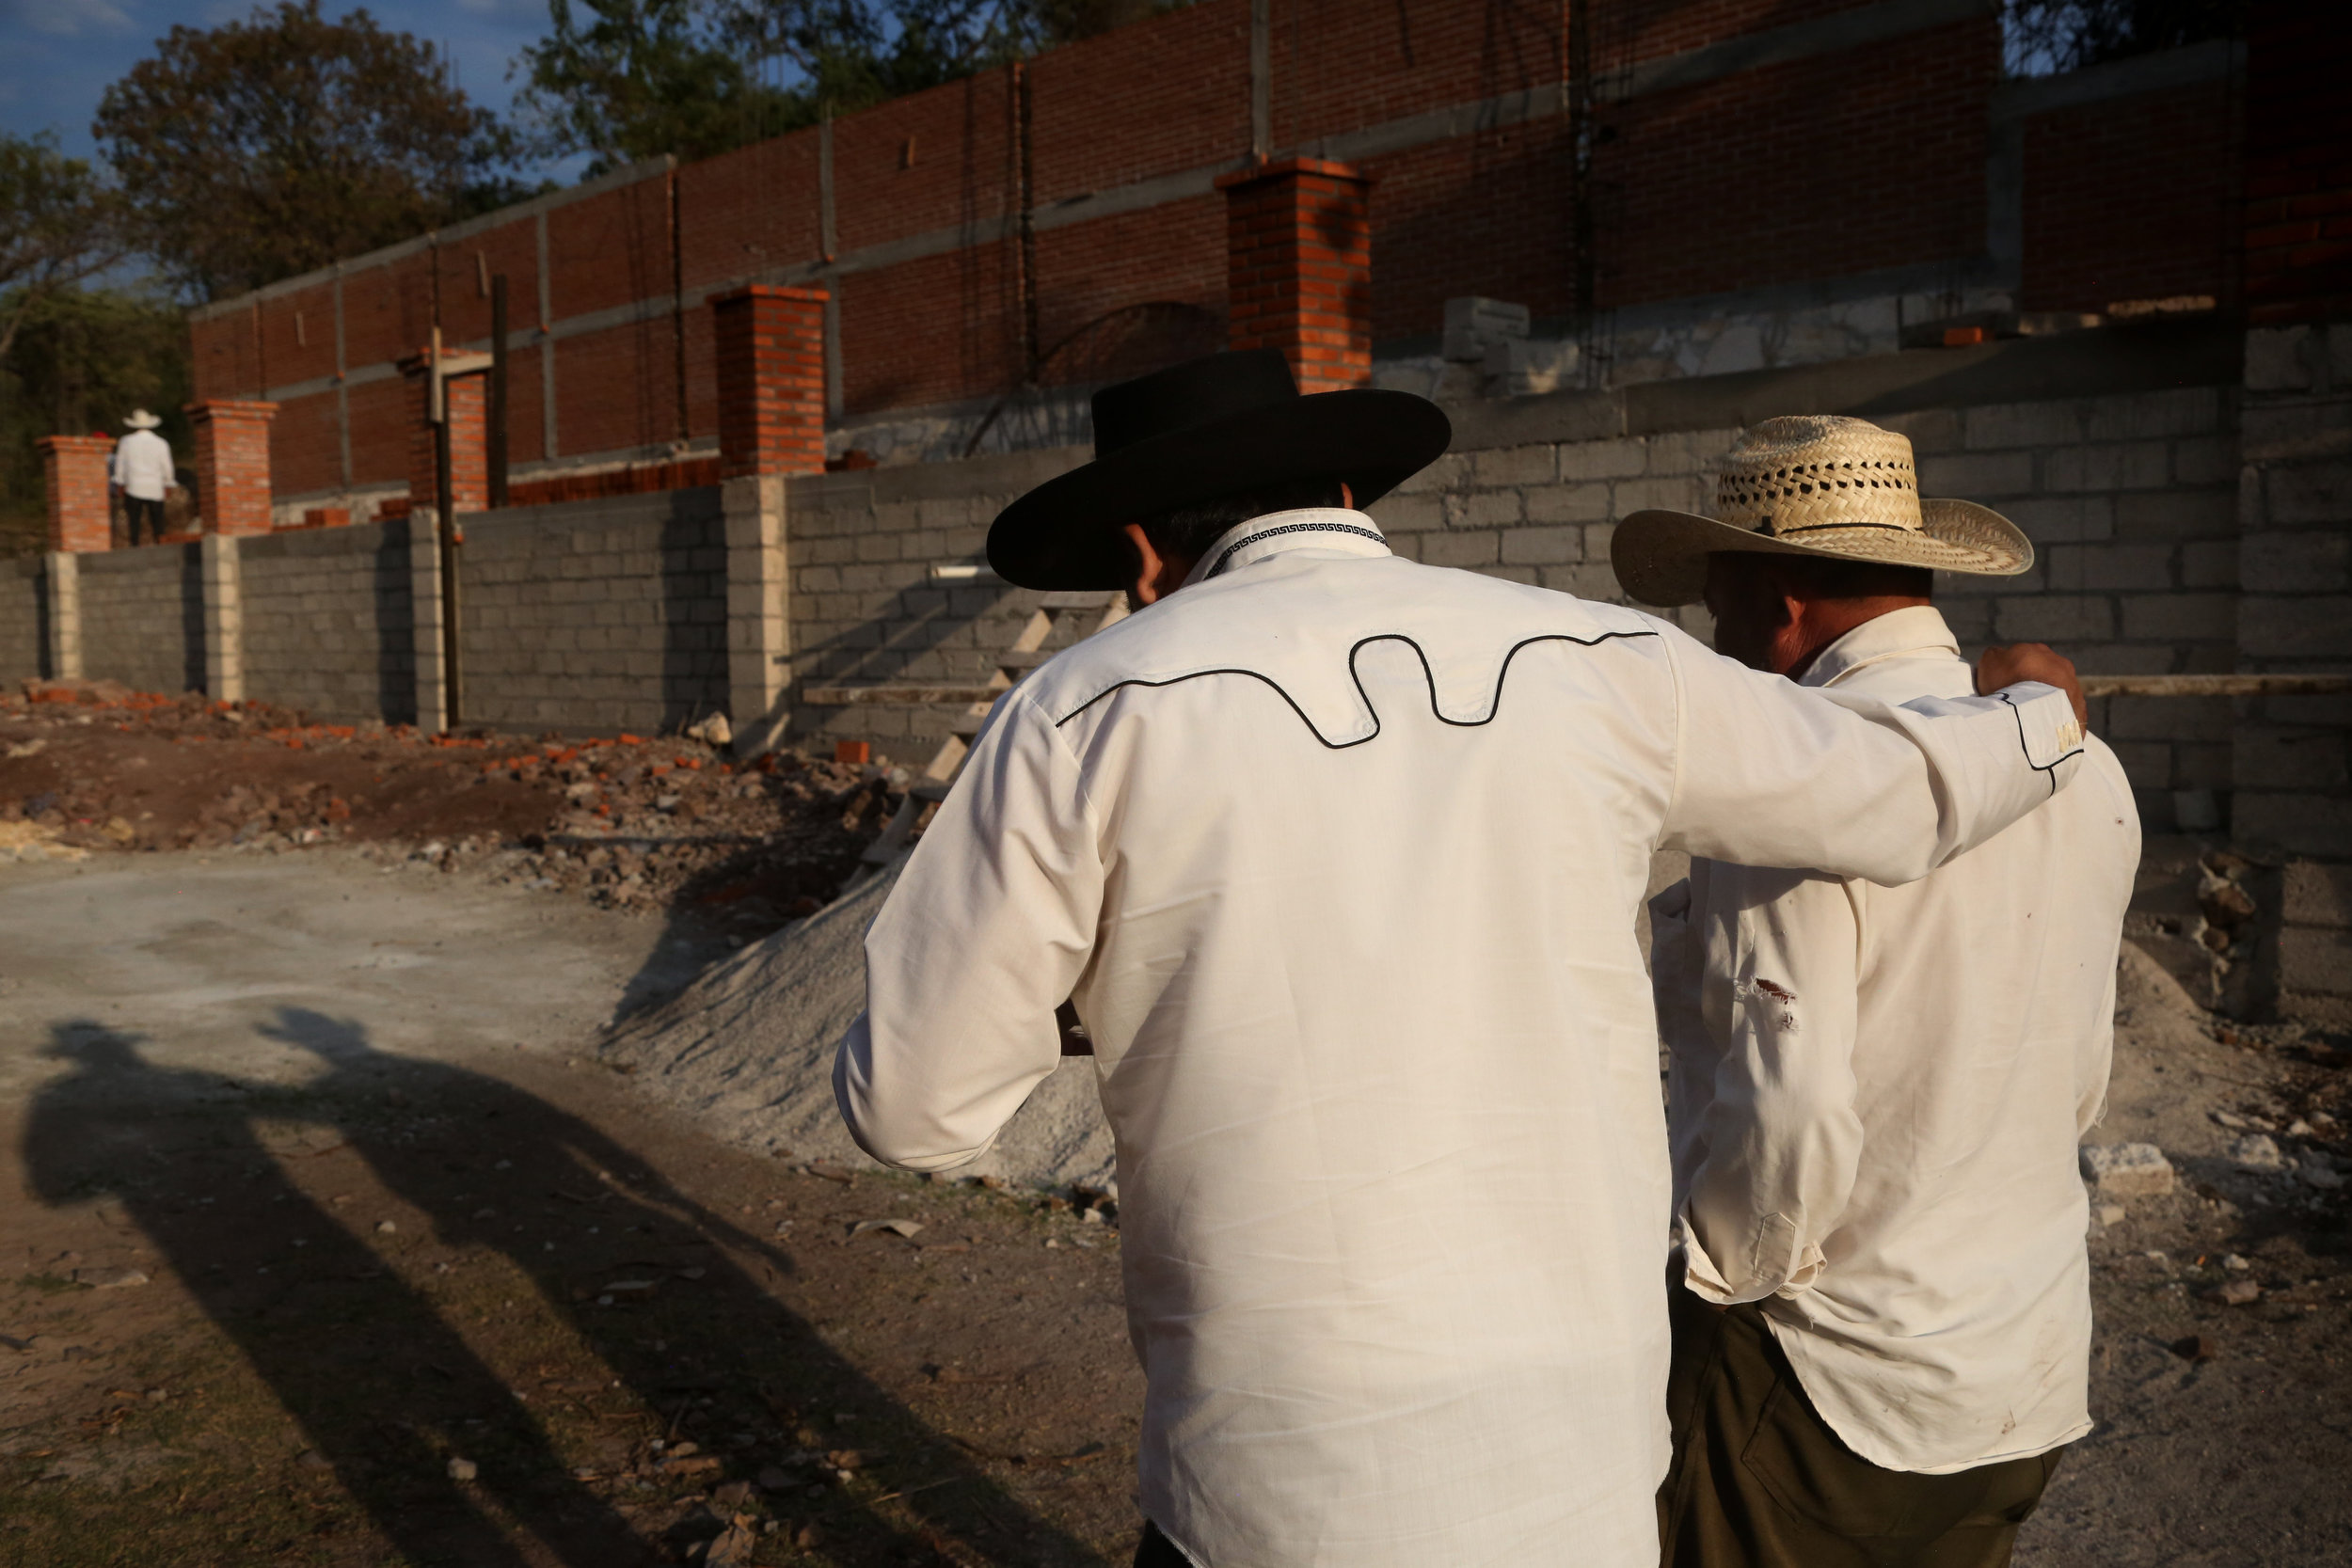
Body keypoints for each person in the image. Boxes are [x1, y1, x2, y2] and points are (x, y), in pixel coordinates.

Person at [834, 354, 2090, 1568]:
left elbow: (916, 1109)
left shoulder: (1083, 708)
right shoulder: (1606, 659)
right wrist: (2035, 709)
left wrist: (1112, 994)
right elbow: (1904, 800)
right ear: (1341, 495)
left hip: (1279, 1478)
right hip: (1576, 1464)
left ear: (1145, 553)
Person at [1613, 415, 2139, 1568]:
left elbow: (1784, 1115)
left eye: (1718, 608)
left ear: (1776, 601)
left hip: (1830, 1379)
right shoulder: (2081, 763)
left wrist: (1721, 1293)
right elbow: (2077, 1076)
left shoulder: (1795, 780)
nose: (1719, 640)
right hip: (2021, 1357)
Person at [112, 408, 175, 546]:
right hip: (155, 486)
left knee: (134, 519)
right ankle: (160, 543)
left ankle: (135, 545)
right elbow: (167, 466)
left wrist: (120, 483)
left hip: (134, 485)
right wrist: (168, 483)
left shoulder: (126, 441)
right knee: (157, 520)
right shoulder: (161, 442)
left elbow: (120, 464)